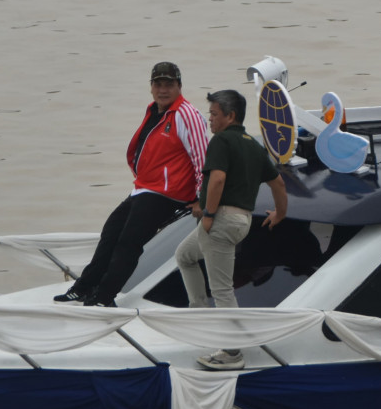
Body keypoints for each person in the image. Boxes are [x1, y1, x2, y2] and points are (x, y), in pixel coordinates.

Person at [54, 61, 208, 307]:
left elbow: (202, 159)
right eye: (158, 84)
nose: (163, 89)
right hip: (145, 187)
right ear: (151, 87)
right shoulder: (154, 110)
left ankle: (105, 297)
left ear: (179, 86)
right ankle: (84, 287)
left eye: (169, 84)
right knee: (110, 233)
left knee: (129, 242)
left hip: (169, 193)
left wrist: (202, 198)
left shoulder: (186, 114)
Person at [176, 89, 287, 371]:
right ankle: (201, 319)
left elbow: (217, 180)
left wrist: (209, 214)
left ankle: (232, 352)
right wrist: (280, 213)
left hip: (221, 221)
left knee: (222, 289)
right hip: (242, 221)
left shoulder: (221, 141)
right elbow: (278, 184)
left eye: (214, 114)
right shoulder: (254, 145)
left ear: (230, 116)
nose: (209, 119)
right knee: (185, 255)